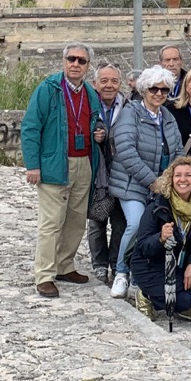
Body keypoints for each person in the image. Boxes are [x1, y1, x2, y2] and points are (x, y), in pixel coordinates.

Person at [20, 42, 98, 297]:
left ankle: (65, 265)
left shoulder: (90, 92)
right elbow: (31, 127)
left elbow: (96, 121)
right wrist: (33, 165)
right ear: (64, 62)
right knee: (51, 222)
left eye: (81, 61)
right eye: (71, 59)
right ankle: (44, 274)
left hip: (83, 162)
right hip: (55, 163)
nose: (75, 64)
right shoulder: (49, 89)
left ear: (88, 66)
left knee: (76, 220)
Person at [107, 65, 185, 299]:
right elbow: (126, 151)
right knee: (136, 223)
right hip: (132, 184)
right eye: (154, 89)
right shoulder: (131, 113)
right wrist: (152, 181)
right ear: (144, 89)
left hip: (160, 185)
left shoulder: (167, 117)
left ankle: (141, 274)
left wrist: (173, 178)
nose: (159, 94)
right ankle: (121, 271)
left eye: (164, 90)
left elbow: (178, 151)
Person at [129, 156, 191, 324]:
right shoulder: (157, 207)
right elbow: (143, 247)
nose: (183, 179)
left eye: (188, 175)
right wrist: (160, 238)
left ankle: (188, 302)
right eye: (178, 175)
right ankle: (146, 295)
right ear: (171, 179)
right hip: (151, 265)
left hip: (179, 263)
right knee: (183, 300)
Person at [84, 62, 128, 286]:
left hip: (121, 174)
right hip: (97, 175)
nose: (109, 86)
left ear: (120, 84)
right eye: (104, 81)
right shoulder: (88, 106)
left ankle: (115, 264)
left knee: (120, 223)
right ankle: (99, 265)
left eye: (114, 81)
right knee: (97, 221)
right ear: (95, 84)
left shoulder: (129, 107)